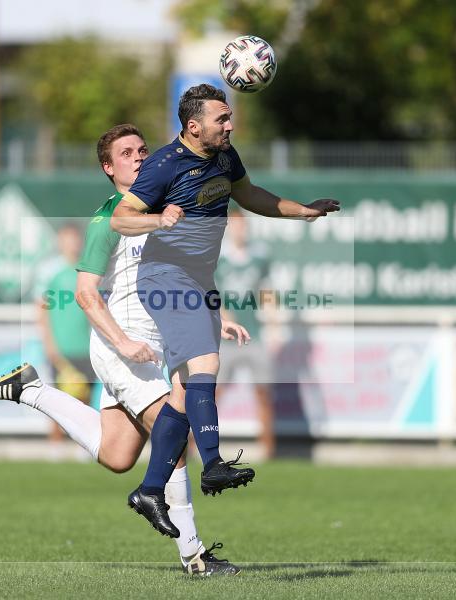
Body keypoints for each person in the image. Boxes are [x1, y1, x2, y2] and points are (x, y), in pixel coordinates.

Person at [0, 123, 248, 576]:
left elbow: (193, 274)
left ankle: (30, 390)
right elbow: (85, 294)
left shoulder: (165, 207)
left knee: (118, 456)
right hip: (123, 348)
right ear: (108, 168)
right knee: (175, 436)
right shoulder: (109, 219)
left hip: (159, 346)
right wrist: (123, 343)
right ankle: (195, 557)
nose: (138, 157)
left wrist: (215, 317)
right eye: (126, 153)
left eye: (142, 150)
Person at [110, 84, 339, 534]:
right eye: (222, 119)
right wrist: (158, 218)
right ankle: (213, 463)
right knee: (207, 363)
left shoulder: (225, 157)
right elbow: (121, 217)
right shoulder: (164, 164)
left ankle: (150, 490)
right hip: (165, 276)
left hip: (199, 281)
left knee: (182, 394)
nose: (230, 125)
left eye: (229, 117)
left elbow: (250, 195)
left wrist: (303, 212)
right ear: (194, 126)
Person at [216, 207, 275, 459]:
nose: (239, 230)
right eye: (235, 225)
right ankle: (199, 446)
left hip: (254, 335)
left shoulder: (259, 257)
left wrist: (274, 325)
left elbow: (267, 293)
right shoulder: (219, 259)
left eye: (243, 225)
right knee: (212, 394)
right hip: (226, 338)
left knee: (263, 392)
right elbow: (208, 292)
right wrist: (222, 314)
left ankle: (268, 449)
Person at [35, 223, 94, 443]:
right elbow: (41, 309)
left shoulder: (89, 269)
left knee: (85, 400)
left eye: (75, 239)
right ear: (60, 242)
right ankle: (55, 447)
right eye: (67, 239)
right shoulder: (50, 270)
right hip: (62, 348)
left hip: (86, 347)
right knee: (58, 402)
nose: (72, 244)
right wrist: (49, 344)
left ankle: (84, 447)